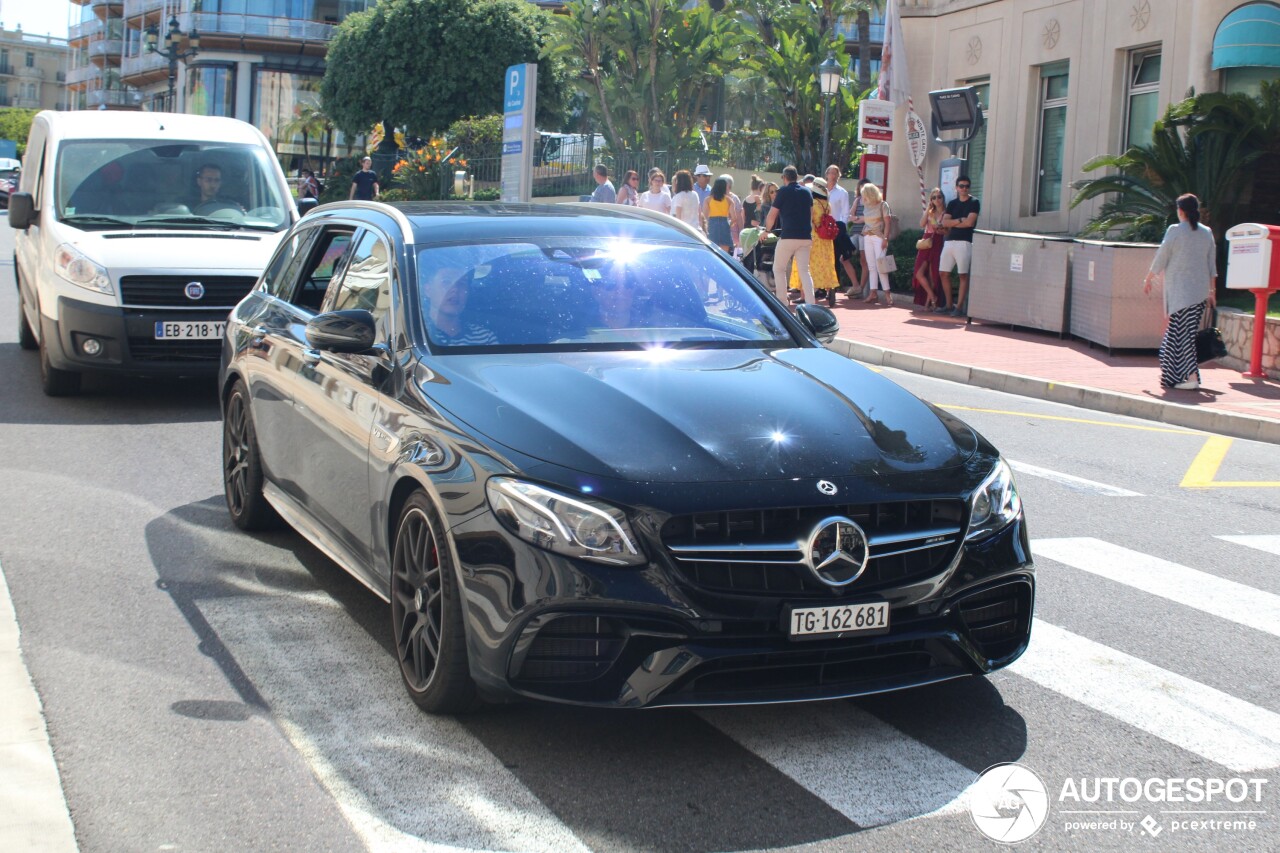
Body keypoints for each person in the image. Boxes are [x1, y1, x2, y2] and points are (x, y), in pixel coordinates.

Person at [1143, 193, 1217, 390]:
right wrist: (1212, 291)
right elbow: (1211, 265)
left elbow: (1162, 256)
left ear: (1181, 211)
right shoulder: (1206, 232)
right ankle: (1173, 377)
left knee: (1180, 336)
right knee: (1180, 334)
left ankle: (1190, 377)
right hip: (1199, 293)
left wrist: (1149, 278)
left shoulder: (1175, 230)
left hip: (1180, 294)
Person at [763, 166, 815, 305]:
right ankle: (811, 303)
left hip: (788, 236)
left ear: (785, 178)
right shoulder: (807, 192)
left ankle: (782, 302)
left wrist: (766, 231)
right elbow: (811, 214)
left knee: (778, 268)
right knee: (805, 271)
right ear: (796, 176)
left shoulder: (783, 192)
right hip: (805, 236)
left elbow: (771, 215)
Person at [421, 265, 497, 345]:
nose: (455, 289)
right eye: (446, 281)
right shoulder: (416, 335)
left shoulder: (485, 337)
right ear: (428, 290)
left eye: (462, 283)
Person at [939, 174, 980, 316]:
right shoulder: (952, 203)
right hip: (949, 241)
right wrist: (961, 220)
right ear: (957, 188)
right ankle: (949, 304)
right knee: (943, 273)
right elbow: (944, 222)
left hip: (965, 242)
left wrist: (955, 222)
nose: (964, 188)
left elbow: (970, 223)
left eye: (966, 186)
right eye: (961, 186)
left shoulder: (974, 202)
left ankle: (959, 306)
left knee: (963, 275)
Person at [824, 165, 859, 293]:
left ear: (838, 176)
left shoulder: (842, 192)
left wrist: (841, 226)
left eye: (835, 173)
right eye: (830, 173)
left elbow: (845, 212)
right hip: (822, 227)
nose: (832, 176)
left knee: (835, 256)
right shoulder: (821, 190)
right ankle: (822, 286)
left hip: (835, 227)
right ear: (827, 175)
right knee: (823, 257)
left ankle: (833, 286)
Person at [913, 188, 948, 312]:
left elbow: (944, 230)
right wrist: (928, 209)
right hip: (927, 240)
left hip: (938, 241)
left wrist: (939, 227)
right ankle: (933, 296)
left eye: (939, 197)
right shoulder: (931, 212)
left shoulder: (946, 213)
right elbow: (922, 224)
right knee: (919, 273)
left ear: (943, 198)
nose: (937, 200)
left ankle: (929, 303)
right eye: (934, 197)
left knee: (933, 274)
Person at [808, 178, 839, 308]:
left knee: (813, 264)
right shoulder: (827, 204)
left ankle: (813, 290)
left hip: (815, 236)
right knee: (827, 263)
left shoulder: (813, 203)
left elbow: (810, 221)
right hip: (826, 239)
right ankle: (830, 286)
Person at [859, 182, 892, 306]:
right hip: (867, 236)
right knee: (872, 266)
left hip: (879, 237)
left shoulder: (883, 205)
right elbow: (866, 220)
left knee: (881, 266)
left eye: (864, 194)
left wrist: (885, 239)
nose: (863, 197)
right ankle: (873, 293)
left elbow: (888, 223)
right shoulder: (866, 206)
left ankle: (887, 294)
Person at [848, 178, 870, 296]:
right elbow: (851, 214)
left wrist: (857, 218)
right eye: (861, 187)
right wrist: (857, 218)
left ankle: (860, 288)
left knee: (863, 260)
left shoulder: (871, 201)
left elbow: (868, 218)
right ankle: (856, 285)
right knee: (844, 257)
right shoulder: (857, 199)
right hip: (855, 232)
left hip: (864, 233)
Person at [703, 177, 734, 252]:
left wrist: (705, 228)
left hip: (712, 224)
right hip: (724, 223)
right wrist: (728, 225)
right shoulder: (729, 200)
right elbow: (734, 218)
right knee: (724, 252)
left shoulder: (708, 199)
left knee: (711, 249)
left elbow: (704, 216)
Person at [722, 174, 745, 251]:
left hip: (732, 232)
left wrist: (741, 233)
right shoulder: (716, 197)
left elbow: (739, 218)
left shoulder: (734, 198)